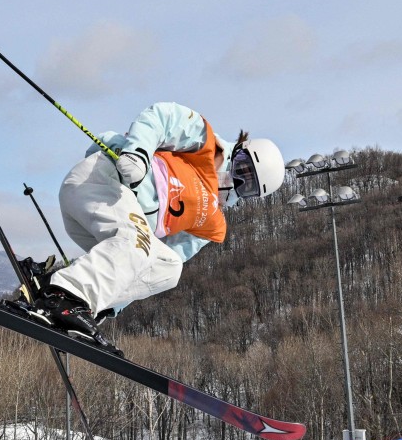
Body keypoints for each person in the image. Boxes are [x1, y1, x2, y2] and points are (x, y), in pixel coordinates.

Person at [21, 102, 285, 353]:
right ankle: (63, 297)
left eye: (246, 186)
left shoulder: (210, 222)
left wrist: (110, 305)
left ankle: (67, 294)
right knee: (138, 243)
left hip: (109, 228)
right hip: (101, 183)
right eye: (242, 169)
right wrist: (138, 154)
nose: (236, 181)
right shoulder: (206, 142)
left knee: (169, 268)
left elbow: (149, 265)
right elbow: (161, 117)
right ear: (239, 150)